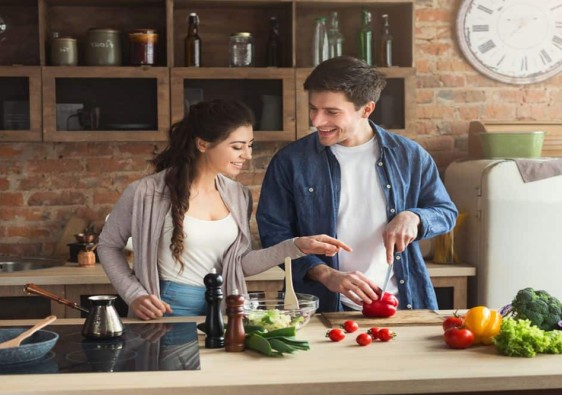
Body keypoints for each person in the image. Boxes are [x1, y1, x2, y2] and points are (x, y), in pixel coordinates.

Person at [98, 99, 350, 320]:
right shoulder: (145, 193)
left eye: (250, 145)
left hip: (225, 309)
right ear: (203, 144)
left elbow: (238, 265)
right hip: (166, 309)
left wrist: (296, 246)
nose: (247, 155)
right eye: (237, 147)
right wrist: (134, 295)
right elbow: (108, 245)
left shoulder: (238, 195)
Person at [256, 56, 458, 313]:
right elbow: (275, 235)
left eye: (331, 112)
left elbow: (445, 212)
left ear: (366, 109)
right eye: (313, 108)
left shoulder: (410, 155)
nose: (317, 121)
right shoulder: (290, 161)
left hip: (400, 304)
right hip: (321, 309)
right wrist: (325, 273)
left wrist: (414, 217)